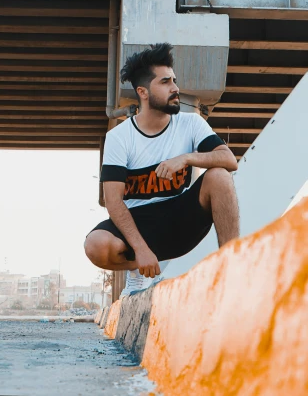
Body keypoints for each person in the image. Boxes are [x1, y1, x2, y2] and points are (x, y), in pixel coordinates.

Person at [84, 42, 240, 296]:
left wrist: (187, 158)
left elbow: (228, 160)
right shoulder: (120, 137)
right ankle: (141, 271)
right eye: (165, 82)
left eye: (174, 81)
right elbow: (113, 202)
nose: (175, 88)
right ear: (143, 92)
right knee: (96, 245)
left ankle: (232, 267)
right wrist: (142, 251)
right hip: (138, 225)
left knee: (219, 176)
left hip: (180, 220)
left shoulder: (190, 123)